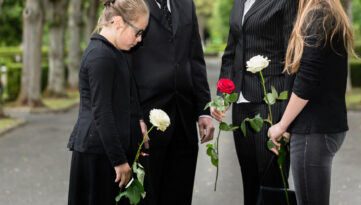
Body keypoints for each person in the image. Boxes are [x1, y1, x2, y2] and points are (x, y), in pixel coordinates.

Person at [268, 0, 355, 204]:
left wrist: (282, 125)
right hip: (325, 128)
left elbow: (306, 80)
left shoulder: (317, 15)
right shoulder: (331, 14)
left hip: (313, 132)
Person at [211, 0, 298, 204]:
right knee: (249, 181)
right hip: (241, 105)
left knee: (272, 184)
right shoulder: (239, 2)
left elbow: (293, 57)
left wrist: (287, 120)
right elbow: (231, 53)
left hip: (272, 106)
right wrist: (222, 96)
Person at [129, 0, 214, 204]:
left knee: (180, 194)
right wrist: (135, 116)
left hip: (184, 121)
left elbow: (195, 58)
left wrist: (204, 111)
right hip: (148, 121)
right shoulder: (132, 4)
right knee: (147, 196)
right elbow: (125, 64)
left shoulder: (187, 4)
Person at [66, 0, 149, 204]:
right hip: (99, 157)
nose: (139, 40)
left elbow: (126, 96)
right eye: (138, 32)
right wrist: (119, 160)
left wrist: (137, 121)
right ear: (118, 22)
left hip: (107, 154)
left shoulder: (113, 52)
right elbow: (102, 112)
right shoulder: (101, 57)